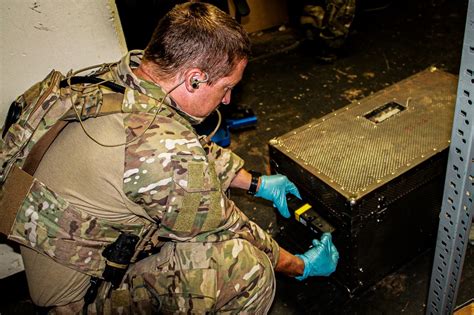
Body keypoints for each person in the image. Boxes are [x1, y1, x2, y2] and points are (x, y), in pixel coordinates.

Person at [17, 2, 339, 314]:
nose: (227, 100)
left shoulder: (119, 78)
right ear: (194, 79)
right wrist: (299, 266)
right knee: (244, 269)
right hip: (79, 297)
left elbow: (180, 144)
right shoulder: (165, 155)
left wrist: (256, 184)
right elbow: (228, 225)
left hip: (67, 247)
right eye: (227, 87)